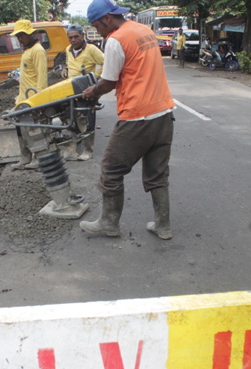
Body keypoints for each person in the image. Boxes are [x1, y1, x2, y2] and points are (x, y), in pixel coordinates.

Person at [79, 0, 175, 240]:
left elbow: (109, 81)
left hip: (137, 117)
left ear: (107, 18)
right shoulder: (144, 31)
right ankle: (163, 225)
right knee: (157, 173)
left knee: (111, 169)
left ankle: (109, 223)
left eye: (96, 25)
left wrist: (92, 92)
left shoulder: (116, 39)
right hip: (163, 113)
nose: (97, 30)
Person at [61, 24, 104, 161]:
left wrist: (95, 78)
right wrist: (65, 69)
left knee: (88, 119)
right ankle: (72, 148)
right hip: (70, 89)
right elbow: (69, 63)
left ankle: (88, 150)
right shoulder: (68, 50)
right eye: (70, 37)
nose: (73, 40)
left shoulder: (91, 49)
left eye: (76, 37)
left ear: (82, 36)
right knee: (71, 118)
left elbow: (106, 62)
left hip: (86, 89)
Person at [11, 19, 48, 170]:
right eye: (18, 36)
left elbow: (42, 76)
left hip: (33, 98)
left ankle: (38, 158)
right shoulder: (27, 50)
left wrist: (39, 99)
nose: (20, 38)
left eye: (22, 35)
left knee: (34, 129)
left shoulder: (37, 50)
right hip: (23, 98)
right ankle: (25, 157)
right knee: (21, 128)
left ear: (30, 33)